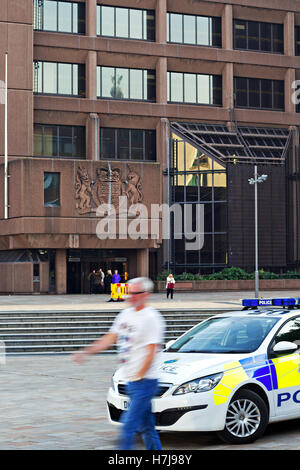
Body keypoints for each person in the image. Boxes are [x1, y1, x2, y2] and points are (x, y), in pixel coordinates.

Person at [72, 277, 165, 450]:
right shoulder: (125, 315)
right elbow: (109, 338)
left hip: (145, 381)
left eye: (136, 293)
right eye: (129, 292)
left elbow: (152, 350)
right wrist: (86, 352)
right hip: (130, 380)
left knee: (128, 426)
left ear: (147, 294)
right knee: (147, 427)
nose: (131, 296)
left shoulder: (152, 318)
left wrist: (140, 374)